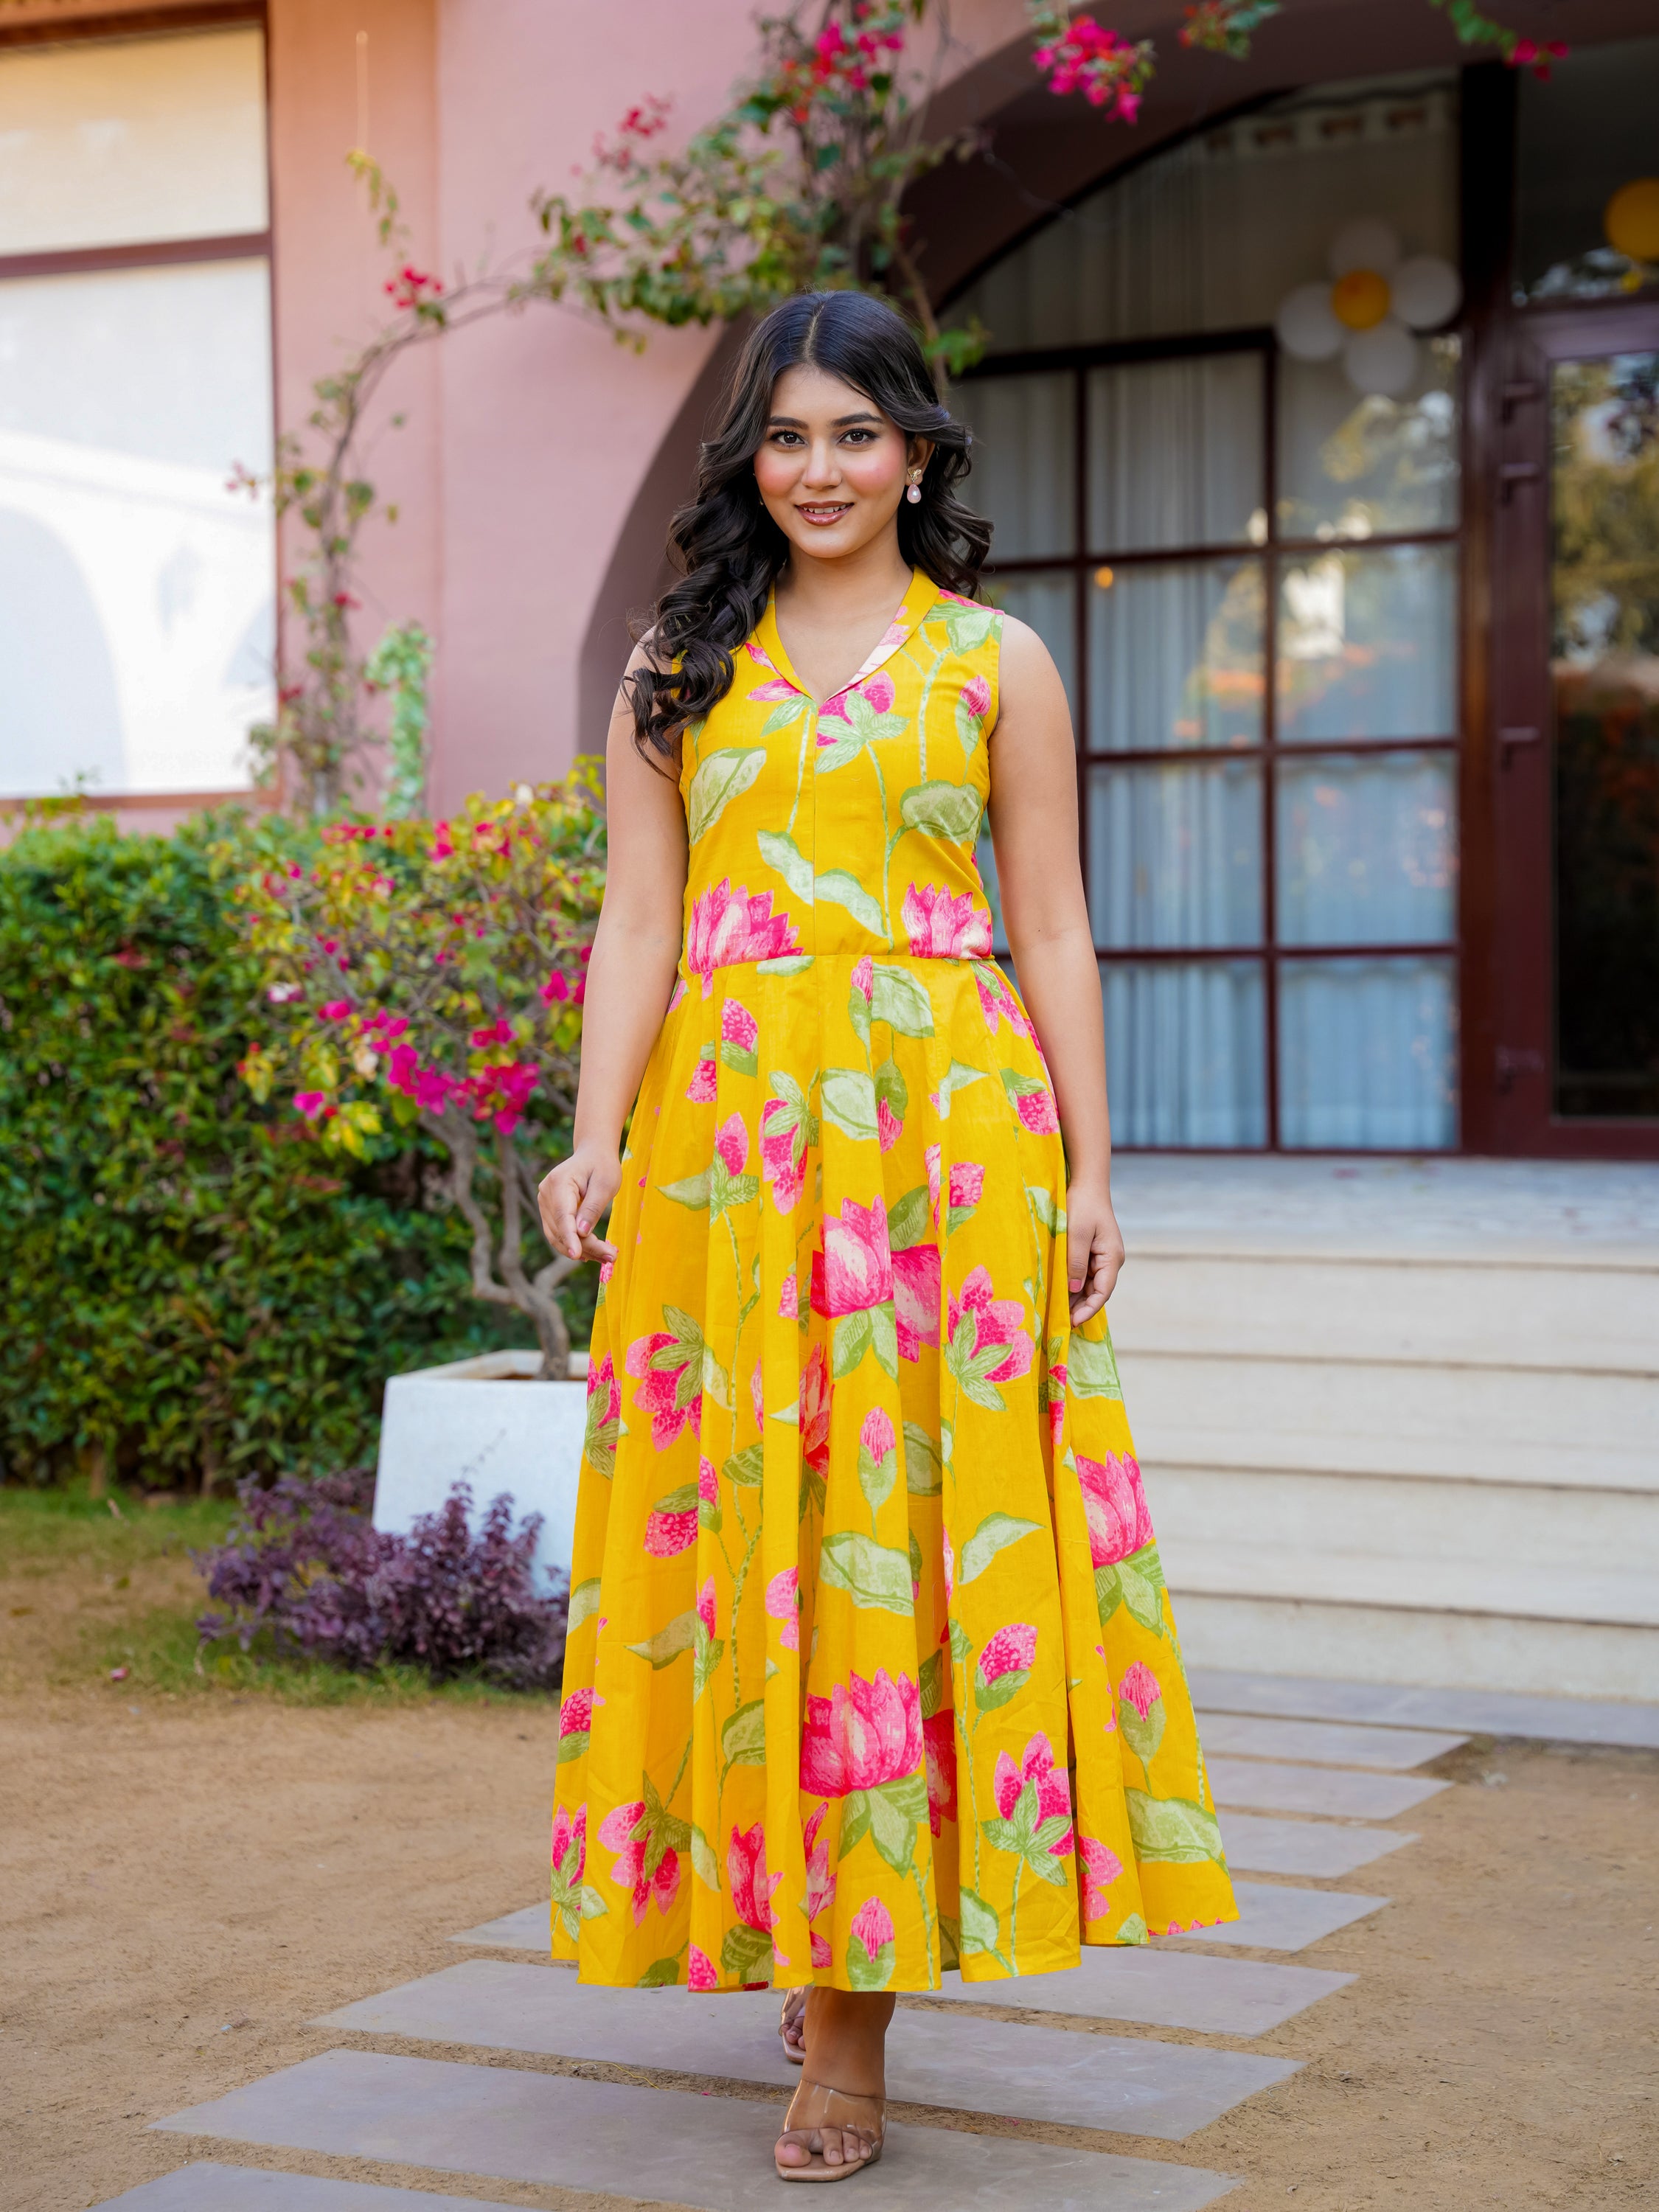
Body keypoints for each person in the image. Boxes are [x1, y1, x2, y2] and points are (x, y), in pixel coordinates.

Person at [538, 288, 1235, 2184]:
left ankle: (849, 2031)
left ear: (919, 450)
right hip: (735, 1167)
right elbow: (636, 929)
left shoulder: (994, 661)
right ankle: (798, 1914)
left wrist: (1094, 1171)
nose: (822, 468)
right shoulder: (672, 673)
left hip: (950, 1151)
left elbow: (1061, 928)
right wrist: (593, 1140)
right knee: (762, 1539)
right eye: (787, 435)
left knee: (900, 1553)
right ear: (747, 461)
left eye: (858, 433)